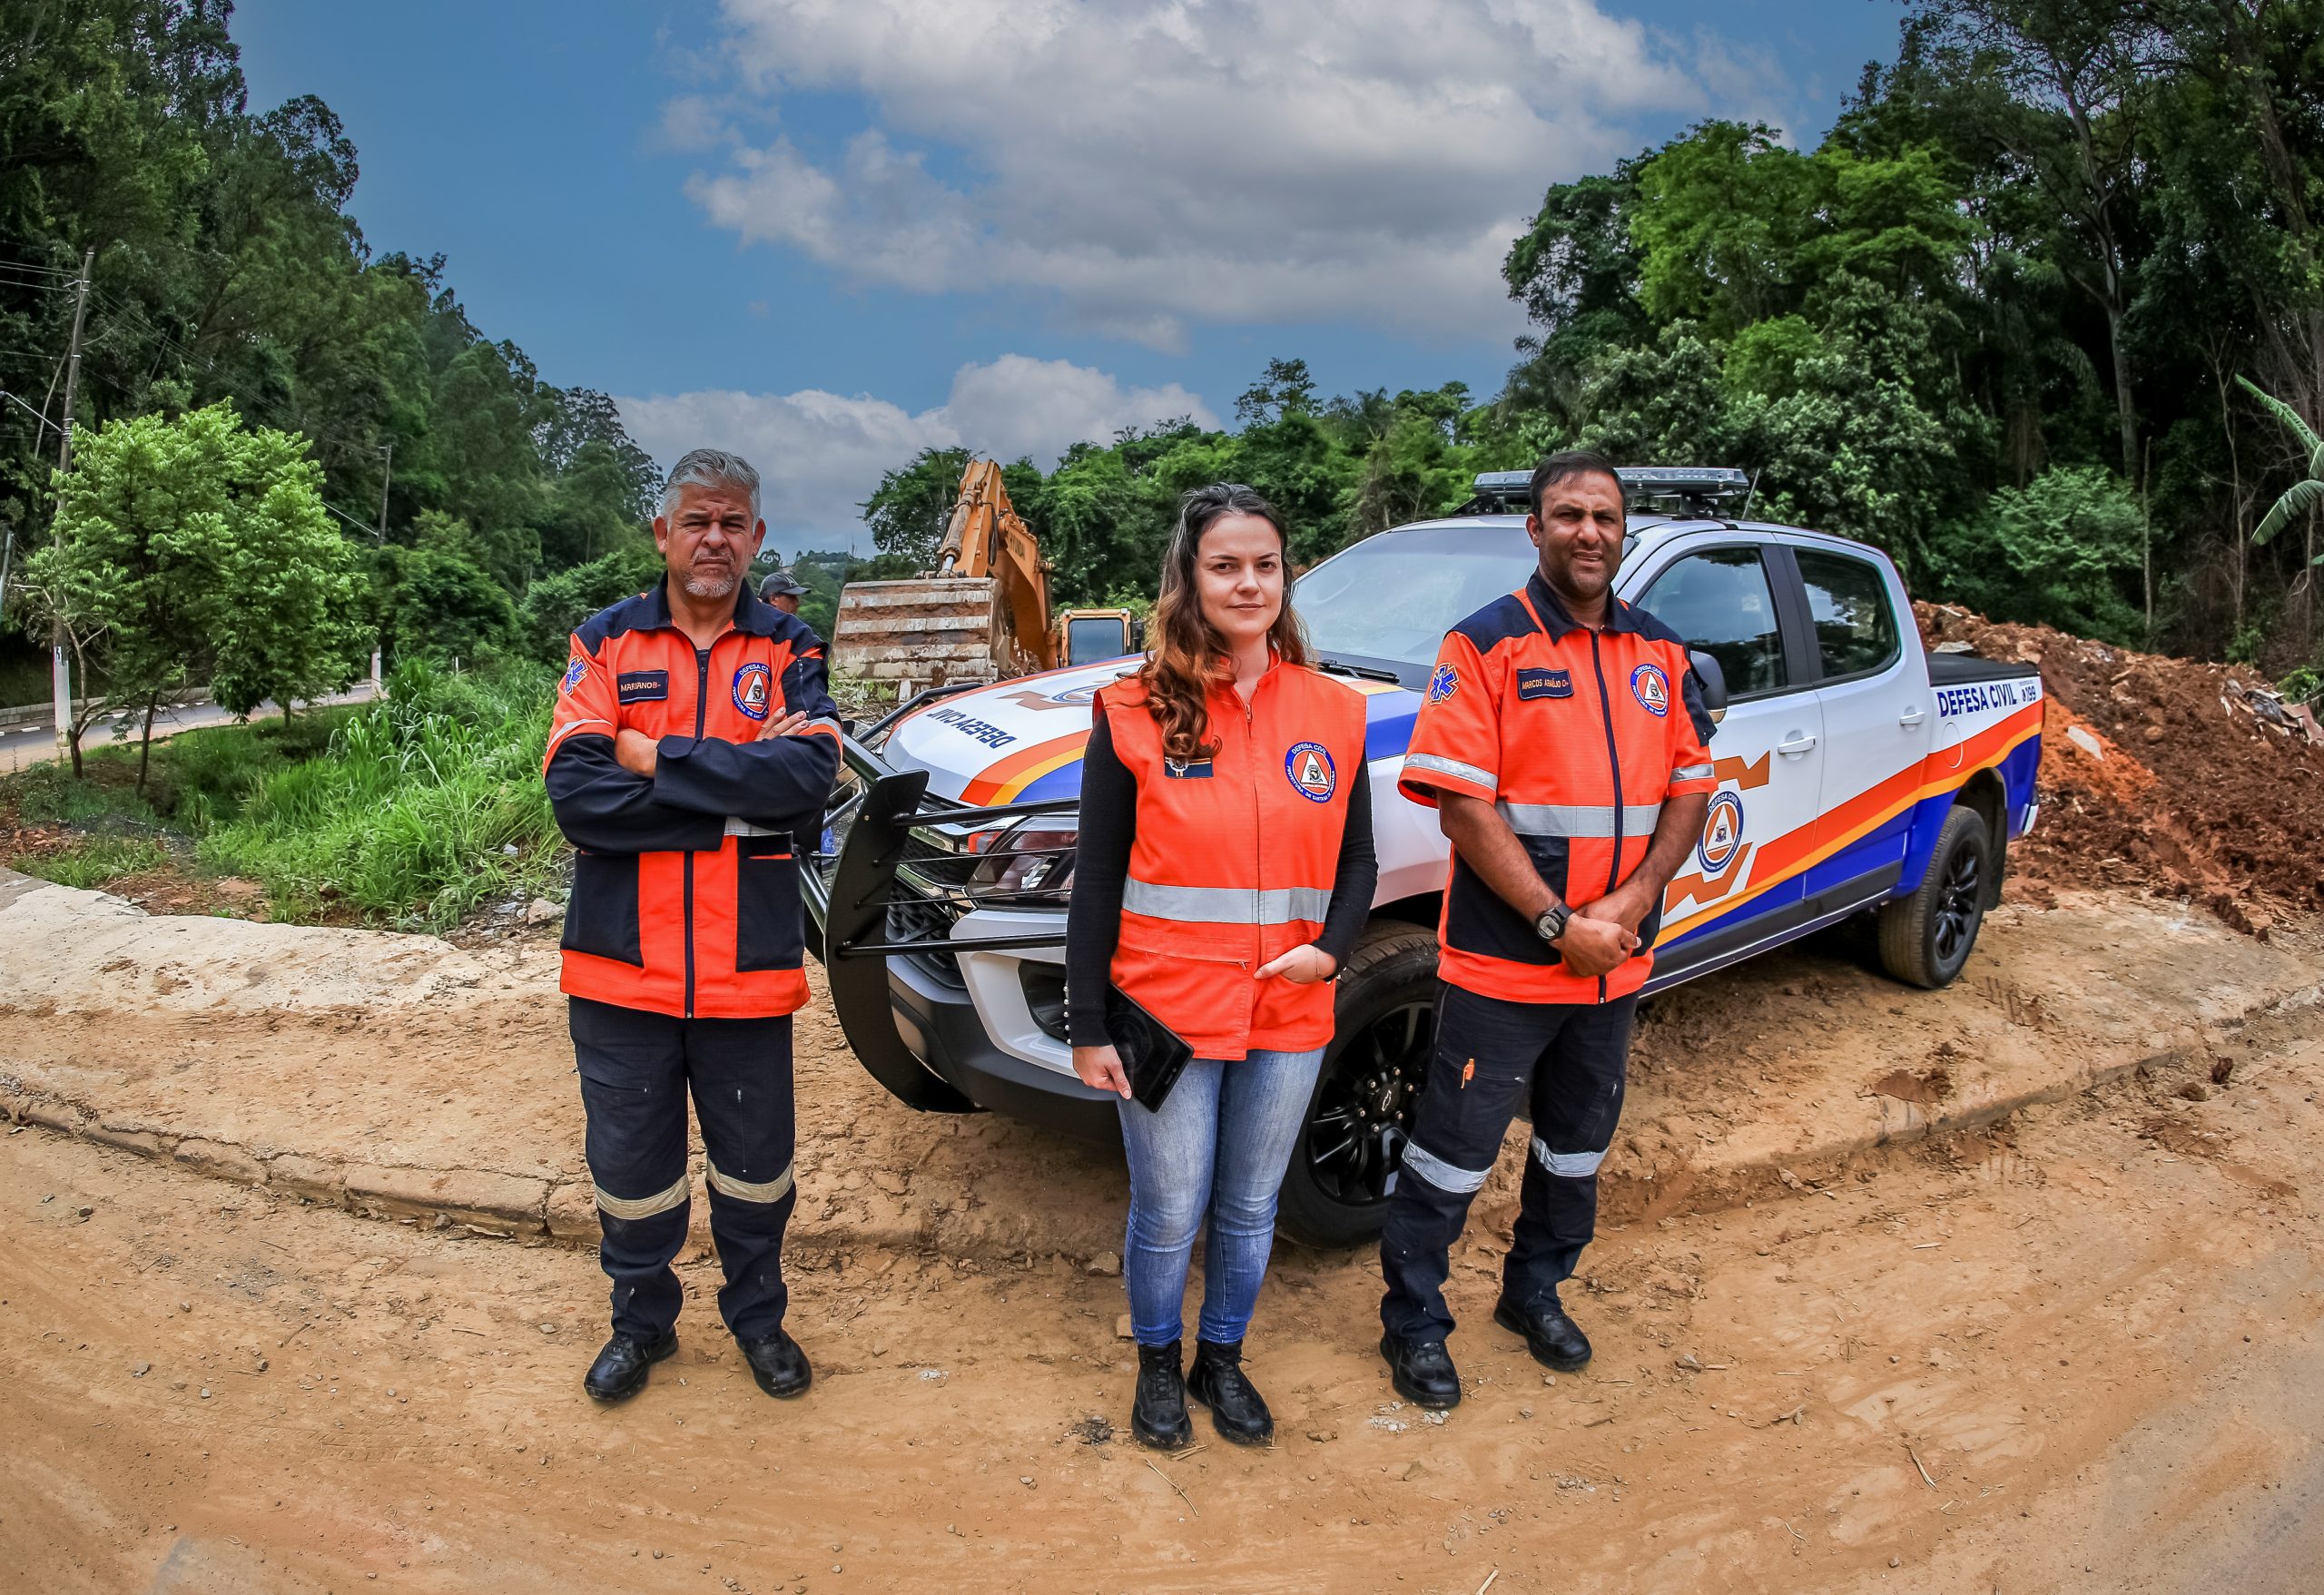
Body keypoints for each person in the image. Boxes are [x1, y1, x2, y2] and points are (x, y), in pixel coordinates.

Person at [1376, 449, 1715, 1411]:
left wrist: (1632, 903)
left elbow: (1689, 788)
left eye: (1604, 517)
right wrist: (1556, 921)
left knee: (1575, 1147)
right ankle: (1415, 1325)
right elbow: (1462, 810)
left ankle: (1533, 1294)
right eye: (1567, 514)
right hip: (1503, 966)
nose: (1588, 532)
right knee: (1449, 1154)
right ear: (1535, 530)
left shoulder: (1660, 651)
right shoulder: (1481, 646)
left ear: (1624, 531)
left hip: (1613, 966)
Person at [1068, 484, 1378, 1451]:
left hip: (1286, 1007)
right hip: (1162, 1011)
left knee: (1250, 1207)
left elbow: (1357, 858)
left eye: (1265, 564)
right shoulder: (1129, 710)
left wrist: (1331, 947)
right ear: (1188, 580)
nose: (1248, 582)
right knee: (1169, 1208)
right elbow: (1097, 878)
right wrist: (1085, 1024)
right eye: (1225, 565)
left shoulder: (1333, 710)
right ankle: (1158, 1362)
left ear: (1285, 579)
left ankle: (1222, 1357)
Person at [543, 448, 842, 1405]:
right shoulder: (604, 642)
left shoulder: (789, 648)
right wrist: (728, 799)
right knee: (631, 1168)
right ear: (662, 532)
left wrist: (652, 754)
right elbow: (577, 797)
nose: (715, 538)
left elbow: (806, 782)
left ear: (756, 538)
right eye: (696, 520)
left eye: (734, 522)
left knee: (757, 1173)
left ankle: (758, 1317)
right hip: (618, 968)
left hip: (745, 970)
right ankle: (642, 1323)